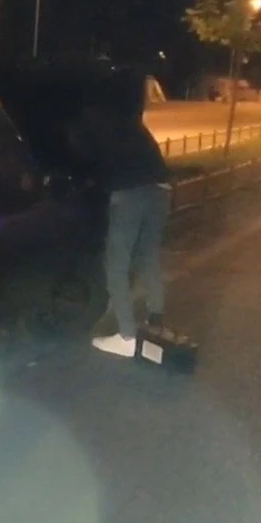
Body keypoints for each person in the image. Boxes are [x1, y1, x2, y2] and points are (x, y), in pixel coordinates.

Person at [68, 82, 172, 358]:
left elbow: (85, 161)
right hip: (161, 188)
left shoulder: (89, 119)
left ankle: (127, 335)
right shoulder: (125, 118)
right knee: (148, 255)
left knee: (116, 264)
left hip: (129, 192)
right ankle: (156, 319)